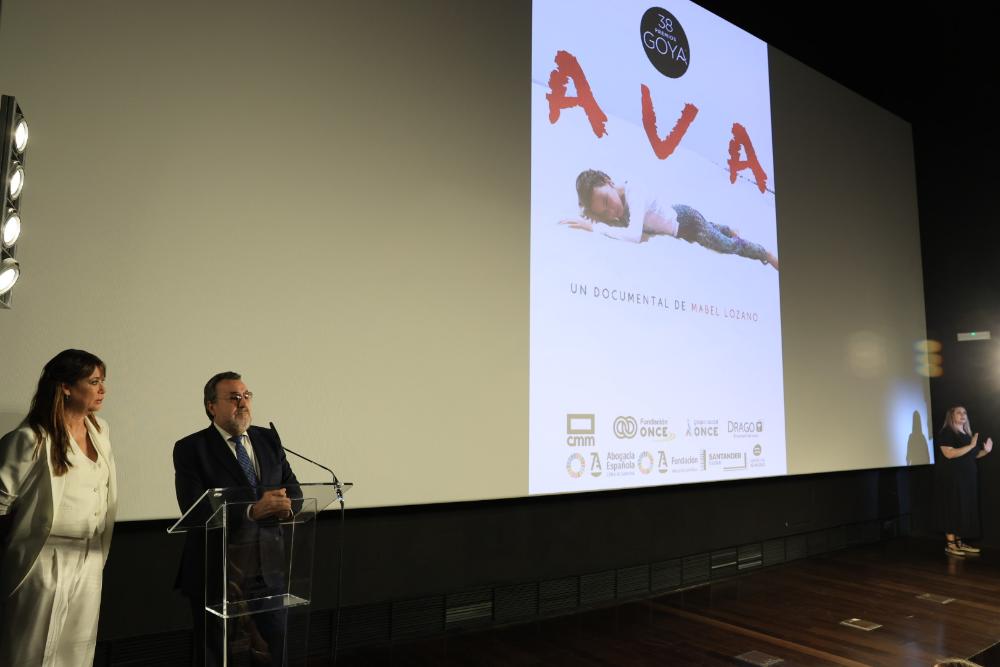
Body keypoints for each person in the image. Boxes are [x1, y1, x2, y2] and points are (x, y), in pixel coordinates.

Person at [173, 371, 300, 667]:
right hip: (217, 569)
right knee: (215, 651)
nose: (242, 403)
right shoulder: (192, 448)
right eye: (233, 398)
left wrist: (286, 505)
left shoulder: (268, 439)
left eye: (246, 396)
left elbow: (293, 488)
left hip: (268, 568)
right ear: (211, 406)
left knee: (275, 645)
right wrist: (252, 511)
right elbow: (194, 509)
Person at [0, 349, 117, 666]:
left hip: (90, 555)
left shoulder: (100, 430)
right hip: (44, 559)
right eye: (94, 381)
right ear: (66, 386)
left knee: (77, 651)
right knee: (34, 651)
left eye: (102, 381)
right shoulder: (31, 438)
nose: (102, 390)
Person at [560, 168, 779, 270]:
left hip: (686, 221)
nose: (612, 212)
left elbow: (634, 235)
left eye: (608, 203)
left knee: (726, 246)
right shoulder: (615, 205)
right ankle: (725, 227)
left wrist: (593, 228)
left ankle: (765, 254)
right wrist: (595, 218)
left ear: (608, 180)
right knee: (713, 230)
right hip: (671, 216)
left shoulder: (635, 191)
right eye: (603, 213)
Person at [935, 406, 991, 557]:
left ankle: (960, 543)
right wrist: (971, 446)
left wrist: (985, 451)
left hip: (968, 479)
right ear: (951, 416)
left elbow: (972, 455)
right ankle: (951, 545)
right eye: (958, 412)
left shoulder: (967, 434)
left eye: (965, 412)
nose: (963, 415)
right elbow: (949, 453)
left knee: (963, 509)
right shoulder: (947, 432)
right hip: (953, 478)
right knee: (953, 507)